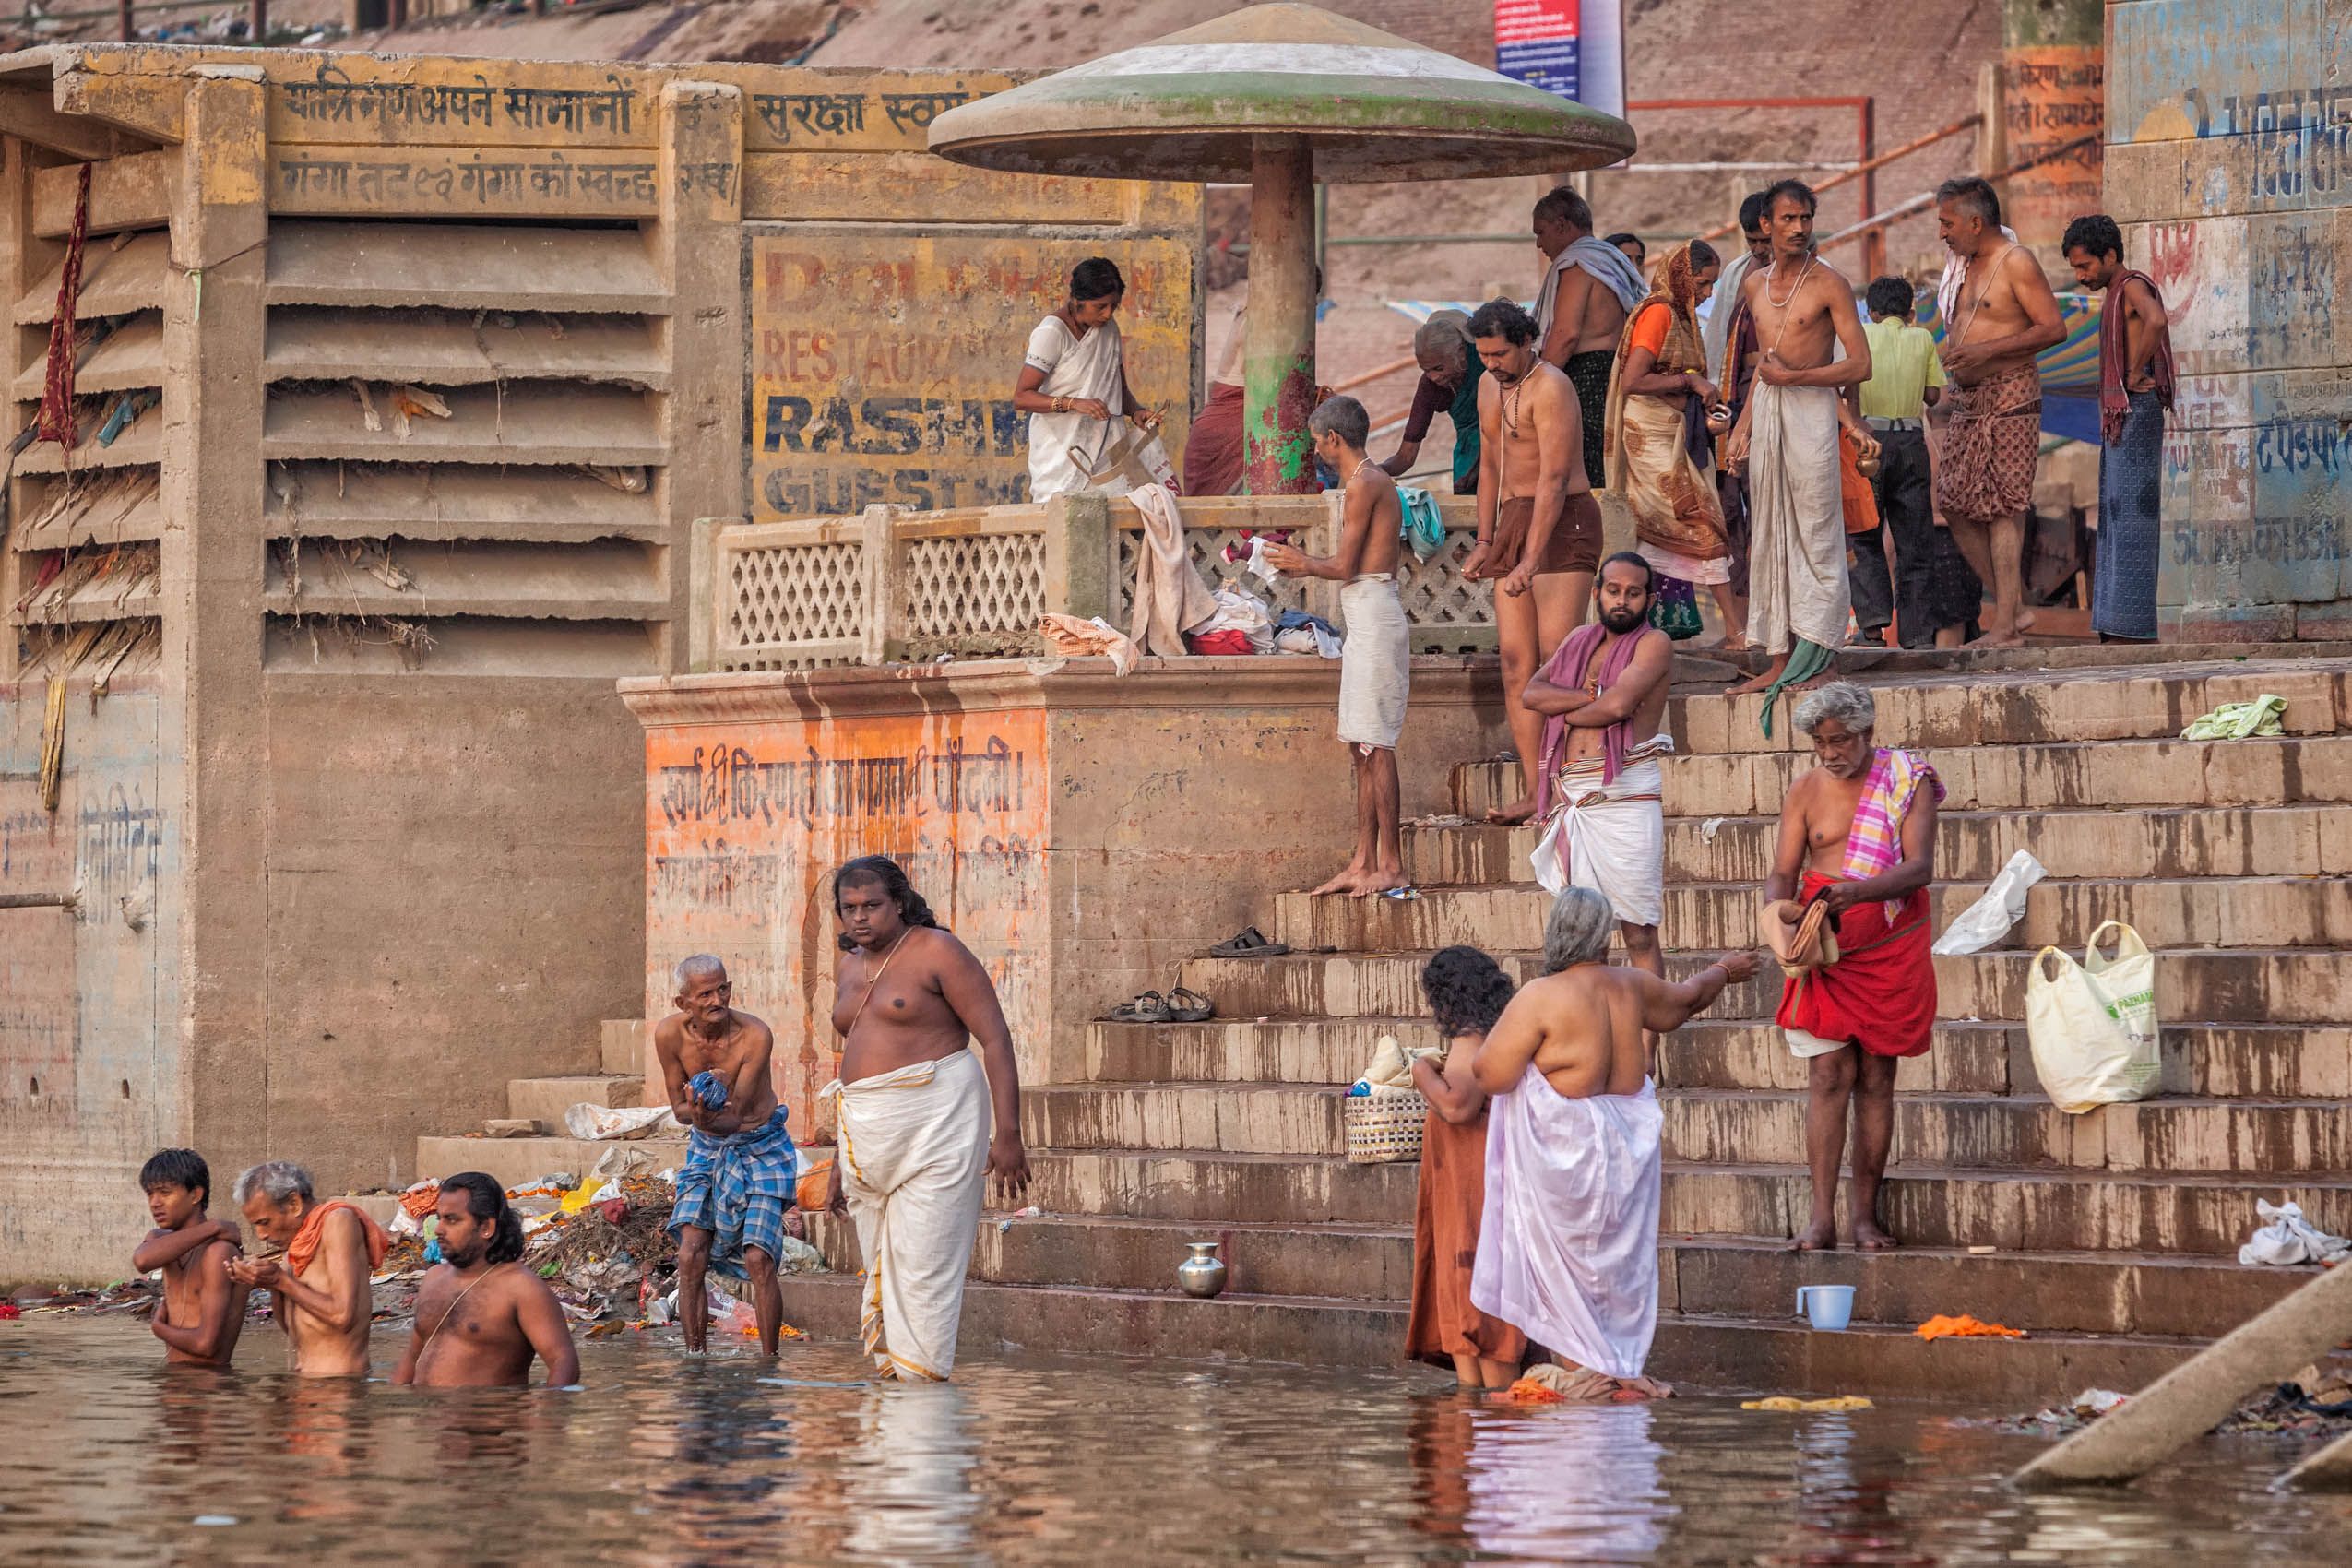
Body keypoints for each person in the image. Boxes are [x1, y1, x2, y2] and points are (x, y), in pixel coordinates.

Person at [1469, 887, 1758, 1400]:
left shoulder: (1540, 996)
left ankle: (1594, 1377)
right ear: (1603, 936)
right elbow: (1687, 1000)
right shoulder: (1634, 987)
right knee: (1611, 1267)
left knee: (1570, 1273)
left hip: (1564, 1161)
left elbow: (1490, 1074)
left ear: (1558, 931)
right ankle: (1615, 1368)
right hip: (1626, 1154)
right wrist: (1724, 970)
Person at [827, 856, 1028, 1382]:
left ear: (899, 902)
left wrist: (1008, 1137)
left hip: (938, 1127)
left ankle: (924, 1406)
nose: (860, 918)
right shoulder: (848, 964)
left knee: (923, 1271)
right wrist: (837, 1160)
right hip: (866, 1136)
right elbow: (853, 1063)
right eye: (849, 909)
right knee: (878, 1266)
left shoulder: (937, 949)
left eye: (872, 905)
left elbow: (996, 1039)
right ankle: (897, 1424)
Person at [1766, 682, 1943, 1252]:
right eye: (1821, 744)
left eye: (1840, 740)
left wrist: (1860, 893)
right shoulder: (1804, 790)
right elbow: (1783, 869)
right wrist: (1777, 913)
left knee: (1876, 1080)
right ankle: (1820, 1219)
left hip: (1889, 941)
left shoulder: (1907, 781)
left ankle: (1864, 1217)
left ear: (1868, 732)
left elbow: (1920, 869)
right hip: (1825, 946)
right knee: (1826, 1078)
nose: (1830, 753)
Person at [1722, 181, 1871, 710]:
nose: (1800, 227)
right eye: (1788, 218)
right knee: (1770, 536)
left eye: (1806, 218)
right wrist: (1741, 429)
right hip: (1768, 414)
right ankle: (1780, 660)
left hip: (1809, 411)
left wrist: (1798, 380)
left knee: (1817, 533)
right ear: (1766, 226)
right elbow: (1763, 369)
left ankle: (1826, 658)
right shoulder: (1753, 285)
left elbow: (1860, 363)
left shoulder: (1832, 283)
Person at [1264, 396, 1408, 897]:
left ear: (1334, 439)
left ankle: (1391, 863)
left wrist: (1299, 561)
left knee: (1378, 744)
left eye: (1318, 442)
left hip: (1375, 611)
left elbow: (1345, 566)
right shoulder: (1361, 481)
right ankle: (1363, 860)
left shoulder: (1366, 482)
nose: (1317, 451)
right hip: (1363, 617)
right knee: (1359, 744)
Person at [1466, 299, 1600, 826]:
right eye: (1483, 355)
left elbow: (1555, 477)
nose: (1492, 364)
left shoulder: (1552, 386)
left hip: (1563, 521)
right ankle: (1534, 791)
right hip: (1514, 518)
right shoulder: (1487, 386)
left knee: (1556, 662)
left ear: (1526, 342)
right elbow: (1491, 465)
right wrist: (1485, 540)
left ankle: (1570, 784)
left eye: (1500, 353)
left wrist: (1533, 556)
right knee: (1516, 664)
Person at [1520, 553, 1676, 1012]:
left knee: (1639, 931)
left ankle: (1647, 1057)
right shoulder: (1577, 640)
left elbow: (1618, 707)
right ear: (1597, 593)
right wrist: (1590, 697)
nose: (1622, 601)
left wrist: (1562, 708)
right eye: (1613, 590)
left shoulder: (1656, 644)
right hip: (1574, 796)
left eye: (1633, 592)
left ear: (1648, 598)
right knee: (1585, 935)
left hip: (1626, 795)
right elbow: (1531, 693)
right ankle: (1598, 1038)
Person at [1932, 177, 2068, 647]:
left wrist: (1988, 352)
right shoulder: (1963, 266)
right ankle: (2013, 606)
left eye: (1947, 223)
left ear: (1975, 221)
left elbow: (2053, 328)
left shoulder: (2017, 261)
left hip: (2011, 394)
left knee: (2004, 506)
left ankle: (2006, 623)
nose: (1943, 233)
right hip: (1969, 401)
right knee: (1952, 501)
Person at [1603, 239, 1744, 647]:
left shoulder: (1678, 315)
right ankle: (1734, 632)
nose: (1707, 294)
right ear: (1683, 278)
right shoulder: (1660, 313)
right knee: (1704, 527)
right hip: (1649, 437)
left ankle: (1636, 635)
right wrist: (1690, 382)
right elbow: (1635, 380)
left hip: (1667, 430)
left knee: (1654, 535)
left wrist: (1698, 408)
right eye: (1702, 284)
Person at [658, 954, 798, 1356]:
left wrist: (703, 1113)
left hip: (761, 1147)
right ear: (683, 1003)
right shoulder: (670, 1035)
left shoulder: (754, 1035)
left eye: (723, 989)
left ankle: (770, 1362)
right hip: (706, 1149)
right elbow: (679, 1110)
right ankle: (695, 1361)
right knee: (689, 1255)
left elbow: (734, 1116)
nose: (717, 999)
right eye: (705, 994)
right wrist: (697, 1112)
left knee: (759, 1259)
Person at [1405, 946, 1527, 1392]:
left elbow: (1456, 1105)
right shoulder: (1498, 1034)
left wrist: (1420, 1071)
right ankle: (1476, 1429)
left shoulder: (1471, 1041)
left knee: (1478, 1312)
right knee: (1464, 1305)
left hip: (1477, 1199)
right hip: (1468, 1199)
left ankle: (1486, 1432)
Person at [1847, 275, 1981, 649]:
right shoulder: (1922, 338)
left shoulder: (1861, 336)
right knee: (1914, 543)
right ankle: (1917, 635)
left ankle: (1872, 626)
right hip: (1910, 441)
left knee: (1866, 536)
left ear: (1871, 311)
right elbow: (1933, 394)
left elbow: (1847, 387)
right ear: (1909, 312)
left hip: (1867, 443)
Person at [2064, 213, 2177, 644]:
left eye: (2085, 266)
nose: (2081, 276)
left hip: (2137, 407)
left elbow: (2156, 320)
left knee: (2132, 518)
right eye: (2076, 268)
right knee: (2115, 515)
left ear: (2110, 255)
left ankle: (2131, 628)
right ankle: (2115, 625)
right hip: (2123, 413)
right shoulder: (2116, 290)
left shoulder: (2130, 284)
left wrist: (2132, 371)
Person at [393, 1172, 580, 1388]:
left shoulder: (521, 1288)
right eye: (439, 1217)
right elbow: (412, 1357)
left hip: (487, 1418)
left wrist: (542, 1416)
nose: (438, 1229)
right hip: (428, 1418)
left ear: (486, 1228)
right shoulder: (433, 1278)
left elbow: (563, 1361)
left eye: (452, 1220)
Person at [1014, 257, 1162, 501]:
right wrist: (1073, 403)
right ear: (1077, 300)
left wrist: (1136, 411)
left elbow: (1116, 385)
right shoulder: (1052, 332)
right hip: (1061, 452)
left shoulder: (1109, 329)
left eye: (1113, 306)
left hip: (1107, 449)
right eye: (1100, 306)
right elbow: (1022, 397)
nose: (1107, 314)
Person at [1531, 184, 1646, 492]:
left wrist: (1533, 388)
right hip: (1612, 372)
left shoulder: (1578, 266)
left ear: (1560, 225)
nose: (1539, 244)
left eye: (1540, 233)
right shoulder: (1609, 259)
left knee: (1585, 475)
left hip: (1587, 379)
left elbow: (1566, 335)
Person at [226, 1161, 386, 1377]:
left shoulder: (337, 1221)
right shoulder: (296, 1245)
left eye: (264, 1222)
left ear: (294, 1203)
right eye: (256, 1225)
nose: (261, 1234)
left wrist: (280, 1281)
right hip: (305, 1385)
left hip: (339, 1387)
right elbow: (295, 1332)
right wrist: (271, 1285)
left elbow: (343, 1317)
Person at [133, 1148, 244, 1370]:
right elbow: (142, 1261)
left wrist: (159, 1329)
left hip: (207, 1390)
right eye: (150, 1194)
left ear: (195, 1195)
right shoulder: (161, 1241)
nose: (155, 1203)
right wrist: (213, 1227)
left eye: (165, 1193)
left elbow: (206, 1345)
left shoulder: (218, 1251)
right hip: (175, 1385)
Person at [1381, 311, 1484, 495]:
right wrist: (1373, 471)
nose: (1433, 377)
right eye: (1426, 370)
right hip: (1468, 461)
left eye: (1438, 368)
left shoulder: (1486, 360)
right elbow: (1406, 456)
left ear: (1461, 352)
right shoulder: (1429, 385)